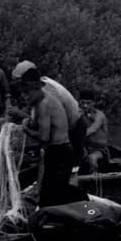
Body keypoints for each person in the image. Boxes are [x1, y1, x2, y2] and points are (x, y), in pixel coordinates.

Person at [11, 61, 87, 183]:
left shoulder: (47, 91)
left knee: (72, 170)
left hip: (75, 126)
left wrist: (24, 122)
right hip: (64, 131)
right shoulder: (37, 89)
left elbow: (47, 123)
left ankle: (72, 185)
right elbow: (33, 113)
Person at [14, 65, 79, 208]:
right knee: (47, 196)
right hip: (54, 152)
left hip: (60, 152)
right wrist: (27, 122)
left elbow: (44, 137)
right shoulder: (38, 103)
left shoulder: (45, 104)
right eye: (23, 93)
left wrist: (25, 129)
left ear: (37, 88)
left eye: (27, 93)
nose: (25, 96)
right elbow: (36, 124)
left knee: (53, 198)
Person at [80, 98, 109, 173]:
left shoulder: (99, 115)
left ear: (93, 103)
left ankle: (94, 177)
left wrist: (77, 136)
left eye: (88, 103)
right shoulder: (80, 115)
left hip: (100, 150)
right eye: (83, 102)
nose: (85, 105)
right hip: (85, 148)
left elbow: (93, 128)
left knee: (92, 158)